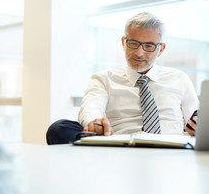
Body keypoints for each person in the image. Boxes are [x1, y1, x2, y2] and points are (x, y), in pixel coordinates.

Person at [46, 12, 199, 145]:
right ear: (123, 43)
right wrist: (95, 123)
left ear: (161, 49)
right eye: (133, 43)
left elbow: (195, 120)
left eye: (149, 46)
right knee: (59, 128)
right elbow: (91, 108)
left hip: (173, 147)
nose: (139, 53)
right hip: (122, 147)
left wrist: (201, 127)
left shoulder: (179, 79)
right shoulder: (103, 79)